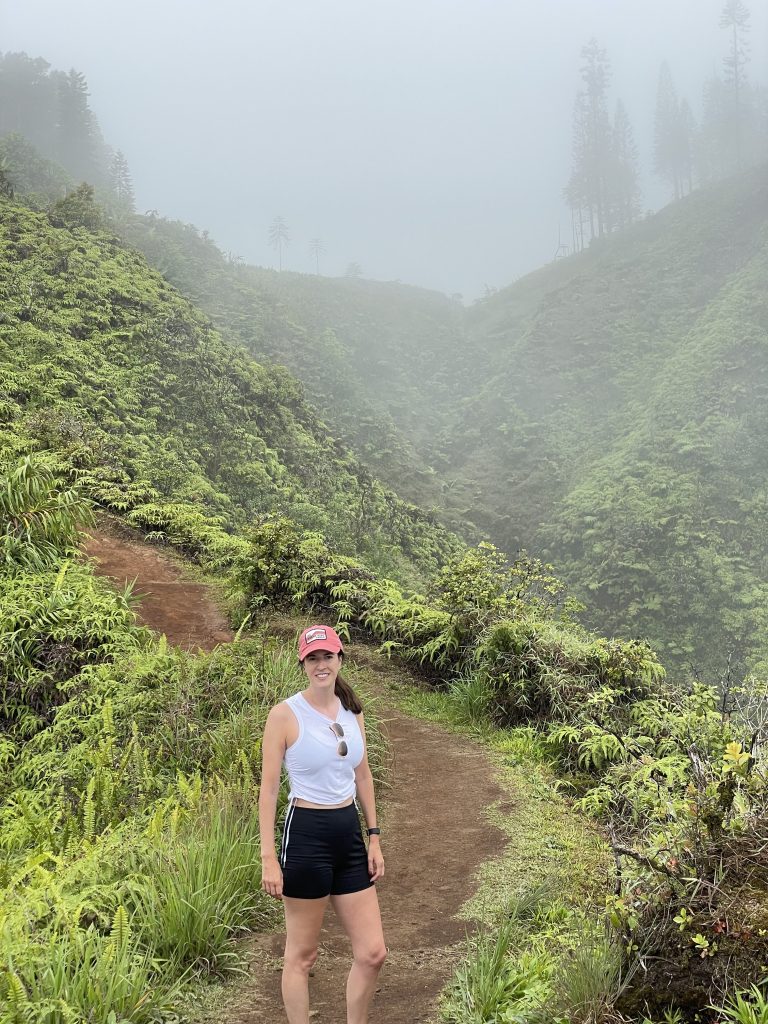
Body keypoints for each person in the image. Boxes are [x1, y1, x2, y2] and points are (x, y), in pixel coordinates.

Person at [259, 624, 386, 1024]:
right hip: (306, 836)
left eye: (327, 656)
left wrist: (374, 837)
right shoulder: (284, 715)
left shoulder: (352, 711)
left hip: (348, 834)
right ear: (302, 663)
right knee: (302, 955)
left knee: (372, 952)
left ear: (339, 659)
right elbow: (268, 791)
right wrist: (268, 857)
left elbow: (363, 776)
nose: (321, 664)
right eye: (313, 658)